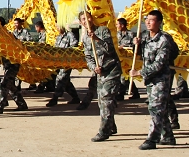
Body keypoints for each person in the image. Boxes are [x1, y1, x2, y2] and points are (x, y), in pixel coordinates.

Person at [130, 10, 177, 150]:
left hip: (160, 79)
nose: (148, 22)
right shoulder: (145, 36)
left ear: (159, 22)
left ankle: (152, 139)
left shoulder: (164, 39)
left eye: (152, 20)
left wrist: (139, 72)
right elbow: (138, 54)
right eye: (147, 19)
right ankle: (168, 136)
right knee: (158, 108)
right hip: (150, 80)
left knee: (156, 108)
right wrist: (136, 45)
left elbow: (159, 64)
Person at [80, 10, 121, 141]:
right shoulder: (85, 38)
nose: (86, 21)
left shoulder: (103, 31)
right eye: (83, 19)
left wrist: (96, 39)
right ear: (81, 23)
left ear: (92, 19)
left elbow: (110, 49)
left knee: (106, 98)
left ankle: (104, 131)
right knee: (101, 101)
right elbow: (88, 57)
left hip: (111, 69)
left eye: (88, 18)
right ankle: (111, 126)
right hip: (100, 73)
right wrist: (94, 67)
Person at [47, 26, 81, 107]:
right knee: (66, 82)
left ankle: (55, 98)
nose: (57, 28)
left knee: (60, 79)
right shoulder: (58, 37)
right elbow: (56, 49)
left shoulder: (70, 35)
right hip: (59, 63)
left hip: (67, 63)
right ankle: (75, 98)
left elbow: (74, 46)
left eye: (58, 26)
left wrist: (65, 53)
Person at [115, 18, 141, 100]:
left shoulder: (131, 34)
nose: (116, 26)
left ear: (122, 25)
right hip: (120, 58)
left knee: (124, 76)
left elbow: (134, 46)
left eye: (117, 24)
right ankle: (135, 92)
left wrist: (124, 47)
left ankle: (121, 94)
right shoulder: (116, 34)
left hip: (128, 59)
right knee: (125, 76)